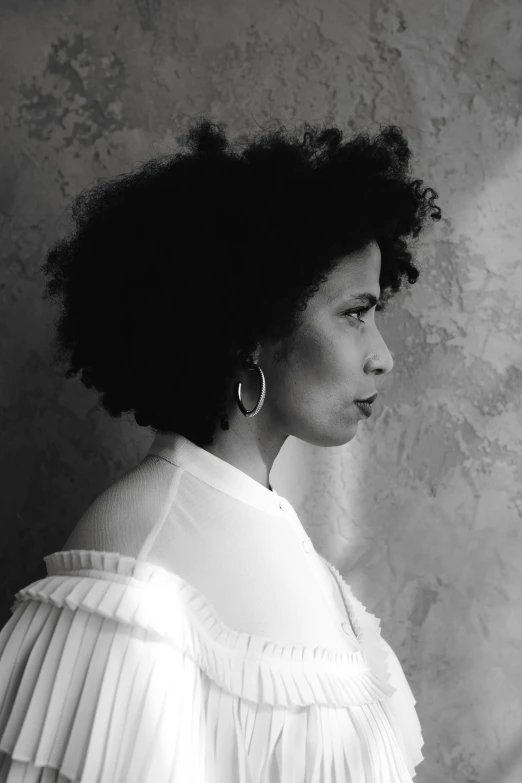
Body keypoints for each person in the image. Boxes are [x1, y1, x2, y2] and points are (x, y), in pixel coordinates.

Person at [0, 116, 441, 782]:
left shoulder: (267, 524)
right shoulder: (137, 577)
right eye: (354, 312)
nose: (382, 357)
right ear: (251, 328)